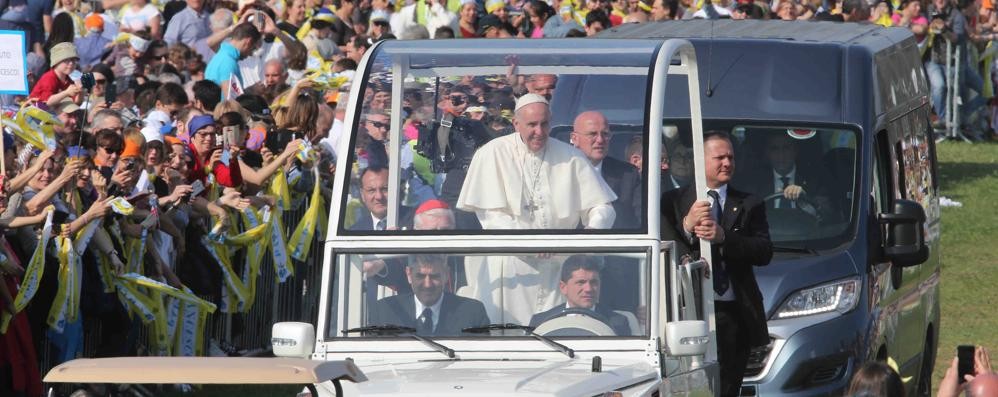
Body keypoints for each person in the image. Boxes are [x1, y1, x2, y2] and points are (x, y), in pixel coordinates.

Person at [660, 131, 773, 397]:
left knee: (728, 388)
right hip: (690, 313)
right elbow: (666, 247)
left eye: (730, 157)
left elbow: (764, 251)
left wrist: (725, 238)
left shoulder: (749, 203)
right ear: (700, 160)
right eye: (719, 157)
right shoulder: (673, 201)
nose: (726, 163)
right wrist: (687, 226)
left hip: (734, 314)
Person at [457, 93, 617, 230]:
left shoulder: (571, 156)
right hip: (511, 256)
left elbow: (602, 207)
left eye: (545, 124)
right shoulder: (492, 153)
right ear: (516, 124)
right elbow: (490, 215)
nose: (539, 132)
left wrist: (593, 228)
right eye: (532, 125)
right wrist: (530, 242)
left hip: (561, 255)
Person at [367, 254, 490, 336]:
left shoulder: (472, 313)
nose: (427, 284)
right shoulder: (384, 311)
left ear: (446, 275)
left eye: (434, 276)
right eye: (420, 276)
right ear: (409, 275)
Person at [528, 255, 631, 336]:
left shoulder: (618, 323)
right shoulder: (540, 322)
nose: (589, 289)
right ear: (563, 287)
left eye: (594, 282)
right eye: (581, 282)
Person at [571, 111, 641, 229]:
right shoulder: (559, 172)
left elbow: (639, 221)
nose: (600, 140)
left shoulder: (628, 174)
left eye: (605, 134)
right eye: (592, 134)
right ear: (575, 138)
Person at [205, 23, 262, 95]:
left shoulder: (220, 56)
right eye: (253, 48)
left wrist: (250, 90)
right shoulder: (228, 62)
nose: (250, 54)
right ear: (248, 42)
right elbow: (231, 101)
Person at [350, 166, 389, 231]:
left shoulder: (411, 225)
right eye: (371, 190)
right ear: (362, 195)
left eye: (385, 189)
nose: (379, 196)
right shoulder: (354, 232)